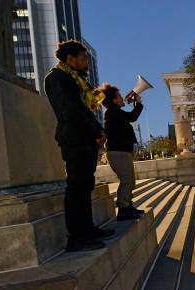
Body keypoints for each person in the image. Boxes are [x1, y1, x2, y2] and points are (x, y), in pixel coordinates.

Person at [44, 40, 114, 252]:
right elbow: (71, 110)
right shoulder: (57, 78)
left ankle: (88, 229)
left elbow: (85, 109)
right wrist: (96, 131)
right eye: (84, 59)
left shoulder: (77, 80)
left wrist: (97, 131)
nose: (87, 63)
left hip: (84, 138)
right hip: (74, 138)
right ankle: (77, 237)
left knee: (85, 186)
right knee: (76, 187)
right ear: (70, 59)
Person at [99, 83, 144, 221]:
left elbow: (130, 117)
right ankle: (123, 209)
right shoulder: (113, 112)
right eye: (119, 97)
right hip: (118, 152)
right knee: (126, 181)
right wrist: (138, 103)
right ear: (113, 100)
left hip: (122, 152)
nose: (122, 99)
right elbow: (132, 117)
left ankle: (128, 206)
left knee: (130, 181)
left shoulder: (115, 112)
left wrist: (136, 103)